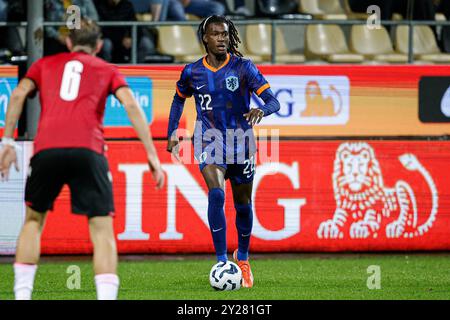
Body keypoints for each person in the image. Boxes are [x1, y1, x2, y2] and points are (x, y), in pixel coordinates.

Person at [0, 19, 164, 300]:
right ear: (99, 46)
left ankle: (22, 295)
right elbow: (131, 104)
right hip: (89, 150)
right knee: (101, 229)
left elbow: (17, 95)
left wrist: (8, 141)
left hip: (46, 150)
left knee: (33, 221)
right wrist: (151, 154)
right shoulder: (107, 69)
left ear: (68, 42)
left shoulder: (44, 65)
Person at [166, 15, 280, 288]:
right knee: (216, 193)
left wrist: (260, 109)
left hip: (241, 141)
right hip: (208, 139)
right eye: (216, 34)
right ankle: (221, 261)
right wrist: (172, 131)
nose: (221, 39)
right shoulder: (192, 72)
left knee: (243, 205)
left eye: (225, 35)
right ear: (205, 38)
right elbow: (178, 99)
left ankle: (242, 258)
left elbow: (273, 101)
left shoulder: (244, 68)